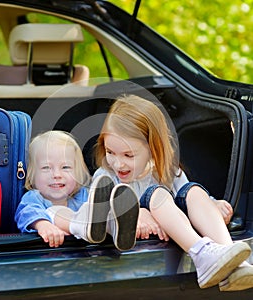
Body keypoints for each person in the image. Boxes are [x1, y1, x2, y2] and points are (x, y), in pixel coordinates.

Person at [93, 94, 253, 291]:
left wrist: (212, 203)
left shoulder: (167, 172)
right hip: (137, 263)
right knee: (157, 195)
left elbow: (189, 199)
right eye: (110, 152)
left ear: (153, 148)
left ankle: (235, 264)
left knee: (192, 190)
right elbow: (95, 214)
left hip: (172, 247)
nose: (118, 163)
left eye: (128, 155)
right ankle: (202, 255)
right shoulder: (105, 177)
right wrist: (133, 213)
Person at [15, 130, 139, 251]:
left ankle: (117, 229)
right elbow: (26, 213)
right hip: (55, 257)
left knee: (95, 207)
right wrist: (43, 225)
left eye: (65, 167)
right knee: (53, 211)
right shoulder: (34, 197)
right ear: (32, 174)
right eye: (46, 168)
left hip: (89, 255)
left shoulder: (84, 195)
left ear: (77, 173)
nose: (57, 174)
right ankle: (84, 225)